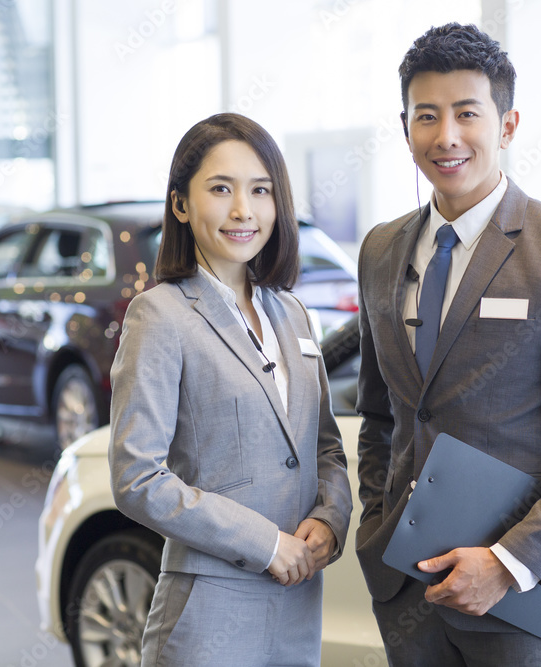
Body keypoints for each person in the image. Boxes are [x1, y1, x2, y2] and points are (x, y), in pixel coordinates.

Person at [354, 23, 541, 665]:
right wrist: (375, 517)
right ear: (405, 129)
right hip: (405, 588)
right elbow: (382, 413)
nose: (446, 136)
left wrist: (509, 562)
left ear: (507, 124)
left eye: (466, 113)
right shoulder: (379, 250)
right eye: (425, 117)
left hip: (518, 598)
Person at [109, 112, 352, 667]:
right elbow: (136, 477)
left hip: (297, 606)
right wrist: (265, 544)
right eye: (221, 189)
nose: (244, 210)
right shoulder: (159, 315)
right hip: (209, 612)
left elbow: (324, 447)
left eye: (260, 191)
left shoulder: (291, 313)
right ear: (181, 205)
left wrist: (331, 519)